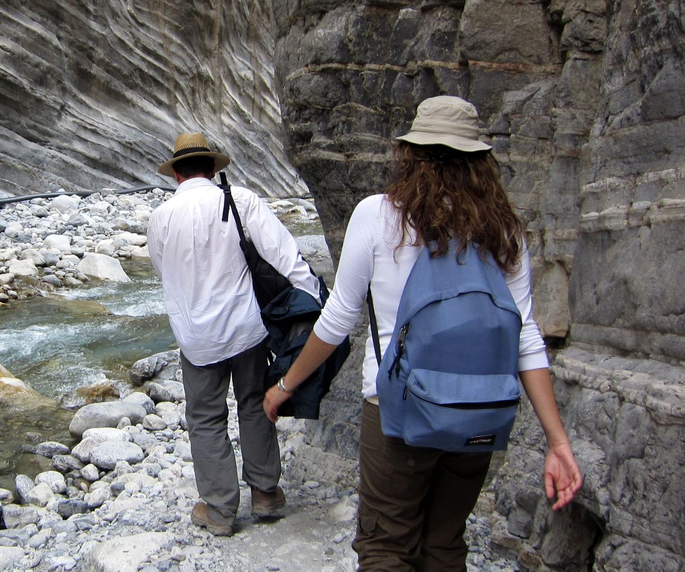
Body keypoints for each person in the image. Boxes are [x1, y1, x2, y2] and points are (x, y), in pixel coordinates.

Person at [262, 96, 583, 570]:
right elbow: (525, 338)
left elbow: (337, 321)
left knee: (387, 547)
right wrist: (558, 443)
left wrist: (285, 386)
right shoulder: (502, 231)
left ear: (410, 154)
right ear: (478, 160)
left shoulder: (377, 216)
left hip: (397, 412)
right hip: (478, 414)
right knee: (445, 544)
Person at [147, 132, 321, 536]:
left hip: (196, 338)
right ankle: (265, 493)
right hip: (247, 328)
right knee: (255, 403)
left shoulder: (160, 218)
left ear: (176, 174)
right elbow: (284, 253)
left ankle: (221, 509)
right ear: (213, 168)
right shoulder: (240, 201)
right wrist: (315, 297)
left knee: (206, 418)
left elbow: (164, 271)